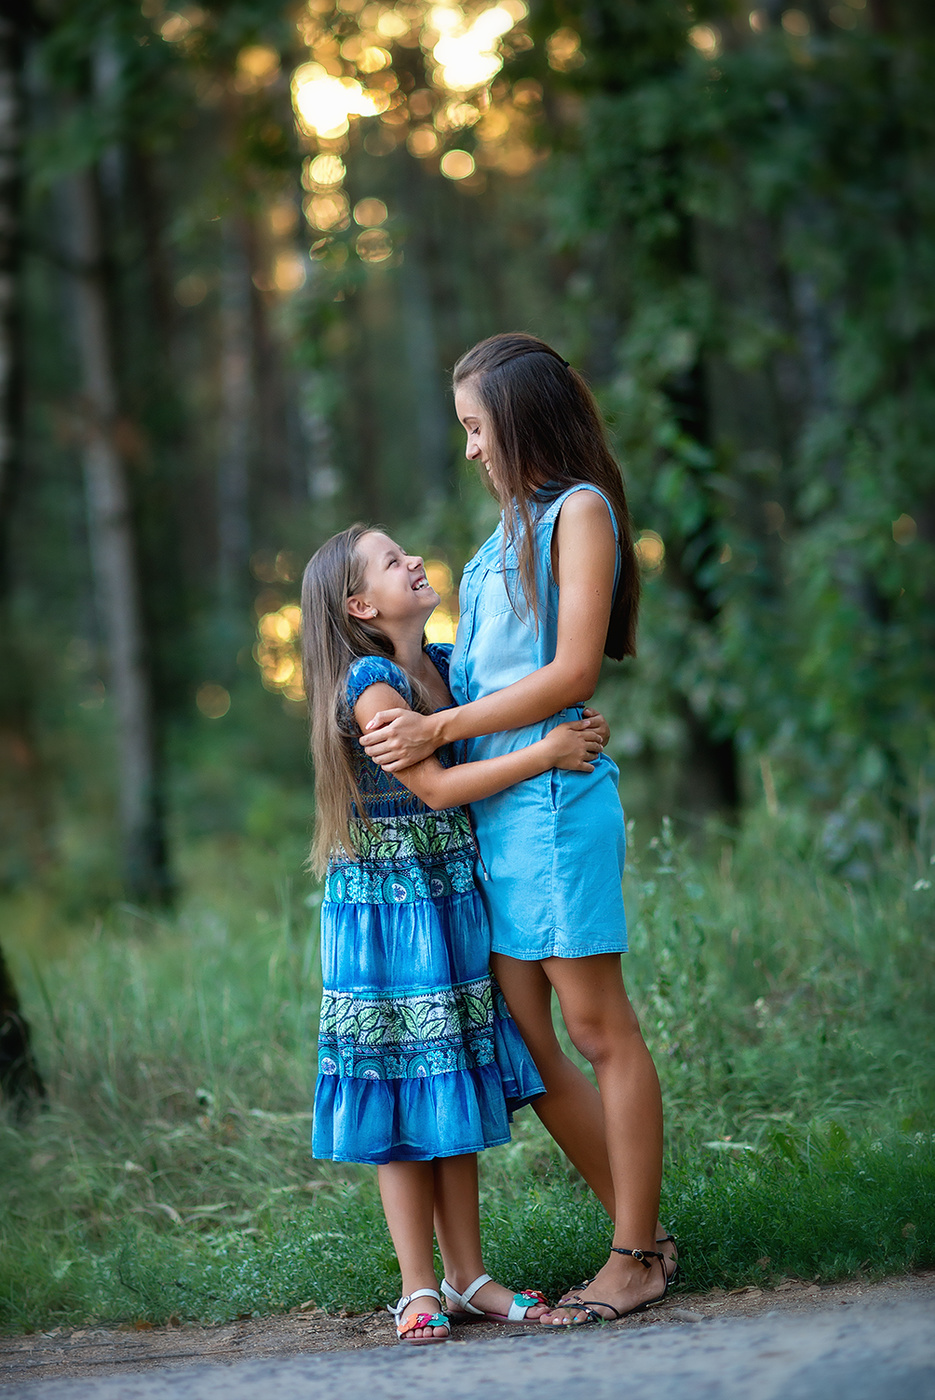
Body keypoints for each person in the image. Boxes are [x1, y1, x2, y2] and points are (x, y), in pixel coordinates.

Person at [359, 332, 677, 1326]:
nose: (468, 449)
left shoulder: (576, 513)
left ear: (519, 421)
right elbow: (487, 675)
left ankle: (632, 1252)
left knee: (594, 1025)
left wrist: (439, 729)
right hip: (499, 817)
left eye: (474, 427)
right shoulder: (502, 538)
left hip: (555, 811)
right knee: (527, 1047)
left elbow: (570, 671)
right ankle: (645, 1235)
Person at [301, 522, 606, 1344]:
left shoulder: (439, 666)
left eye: (407, 551)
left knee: (447, 1074)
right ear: (362, 604)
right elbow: (436, 789)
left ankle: (468, 1275)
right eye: (391, 562)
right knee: (402, 1082)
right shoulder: (369, 681)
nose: (412, 561)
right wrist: (548, 752)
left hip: (447, 890)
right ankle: (416, 1285)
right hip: (389, 906)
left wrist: (563, 721)